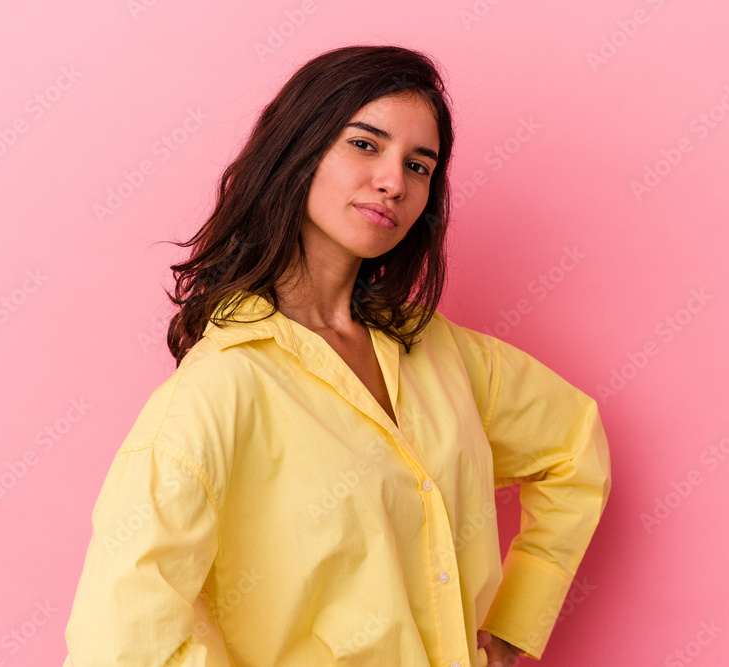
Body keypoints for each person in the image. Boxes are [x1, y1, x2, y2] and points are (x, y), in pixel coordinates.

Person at [62, 44, 611, 667]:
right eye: (365, 144)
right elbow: (118, 644)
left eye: (420, 165)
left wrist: (516, 621)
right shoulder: (222, 389)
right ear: (300, 150)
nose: (394, 181)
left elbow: (573, 446)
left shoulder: (439, 351)